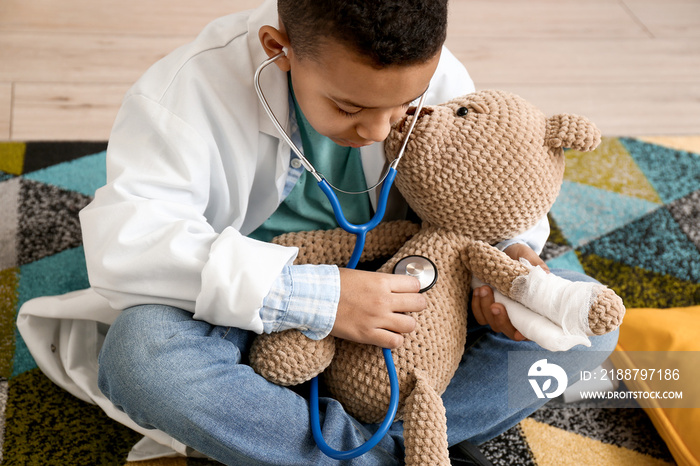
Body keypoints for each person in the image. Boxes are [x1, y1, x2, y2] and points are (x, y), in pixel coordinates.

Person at [72, 0, 619, 464]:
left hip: (419, 307)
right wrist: (319, 297)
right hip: (253, 312)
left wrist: (500, 270)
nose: (382, 130)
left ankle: (318, 444)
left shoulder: (426, 67)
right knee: (141, 356)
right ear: (277, 49)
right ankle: (399, 449)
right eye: (349, 107)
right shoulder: (182, 95)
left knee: (587, 323)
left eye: (405, 105)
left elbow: (488, 180)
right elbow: (128, 245)